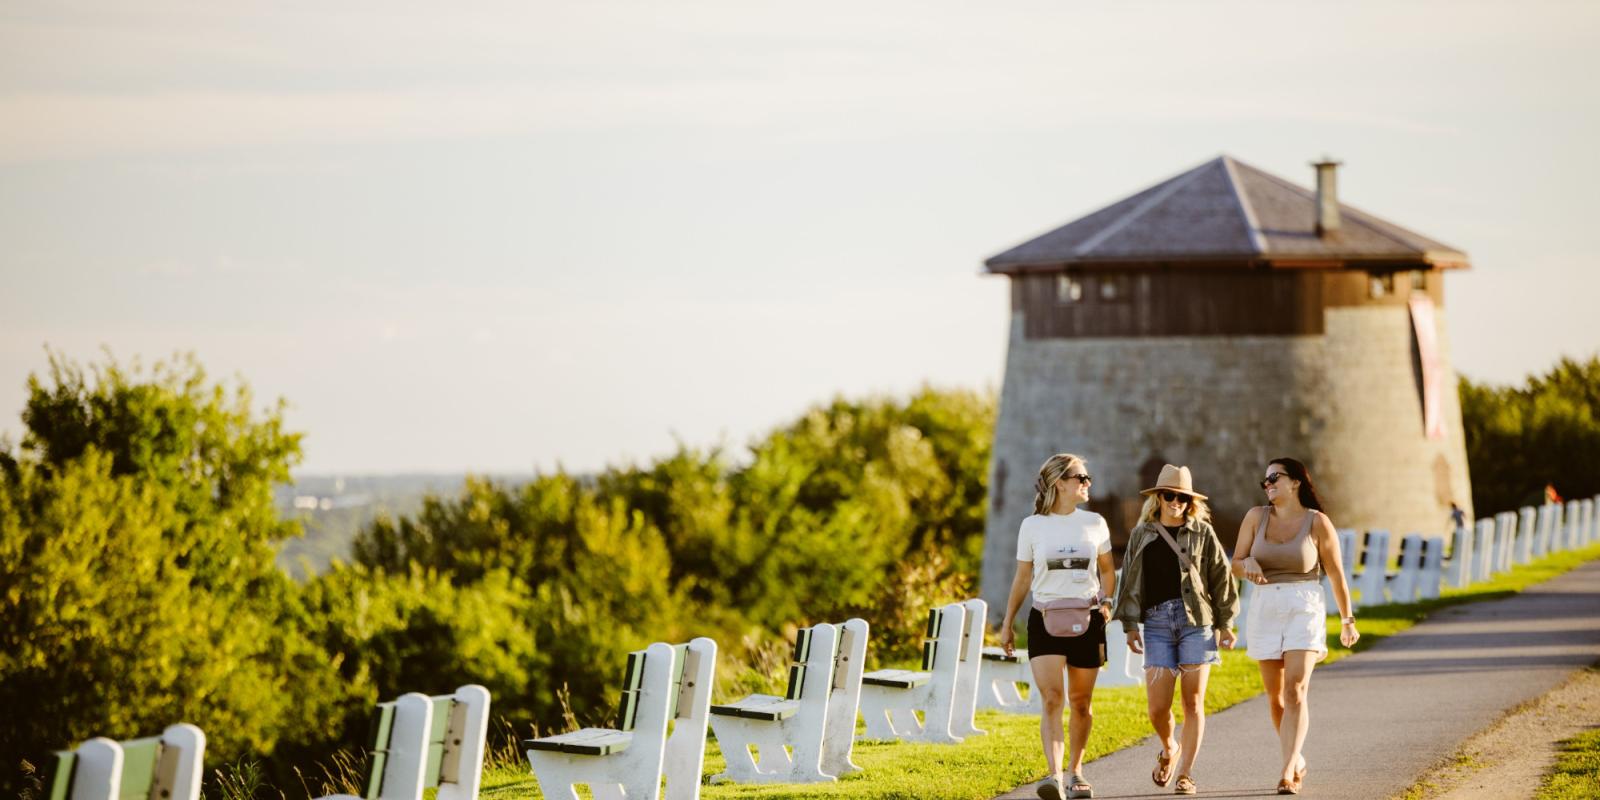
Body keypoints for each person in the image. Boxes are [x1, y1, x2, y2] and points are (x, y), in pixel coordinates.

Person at [1231, 458, 1359, 795]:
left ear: (1296, 482)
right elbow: (1234, 563)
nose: (1268, 484)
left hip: (1304, 606)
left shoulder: (1317, 522)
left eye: (1275, 477)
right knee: (1276, 699)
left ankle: (1287, 772)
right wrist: (1248, 564)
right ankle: (1297, 757)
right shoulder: (1255, 517)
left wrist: (1347, 620)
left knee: (1295, 690)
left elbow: (1336, 574)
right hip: (1264, 606)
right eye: (1265, 480)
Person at [1111, 465, 1238, 796]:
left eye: (1182, 497)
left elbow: (1221, 578)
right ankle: (1170, 748)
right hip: (1155, 625)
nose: (1176, 502)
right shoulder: (1142, 534)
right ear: (1157, 498)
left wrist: (1226, 625)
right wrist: (1128, 625)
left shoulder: (1202, 533)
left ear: (1190, 500)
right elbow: (1129, 582)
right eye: (1169, 496)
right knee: (1158, 708)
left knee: (1193, 703)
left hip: (1197, 623)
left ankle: (1185, 774)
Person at [1000, 453, 1116, 800]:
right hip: (1045, 620)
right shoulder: (1032, 525)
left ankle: (1076, 772)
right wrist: (1008, 623)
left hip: (1088, 618)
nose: (1087, 483)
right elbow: (1023, 577)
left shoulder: (1095, 522)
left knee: (1081, 703)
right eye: (1081, 478)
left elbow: (1108, 570)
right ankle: (1053, 775)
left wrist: (1107, 602)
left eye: (1087, 478)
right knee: (1052, 698)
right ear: (1059, 483)